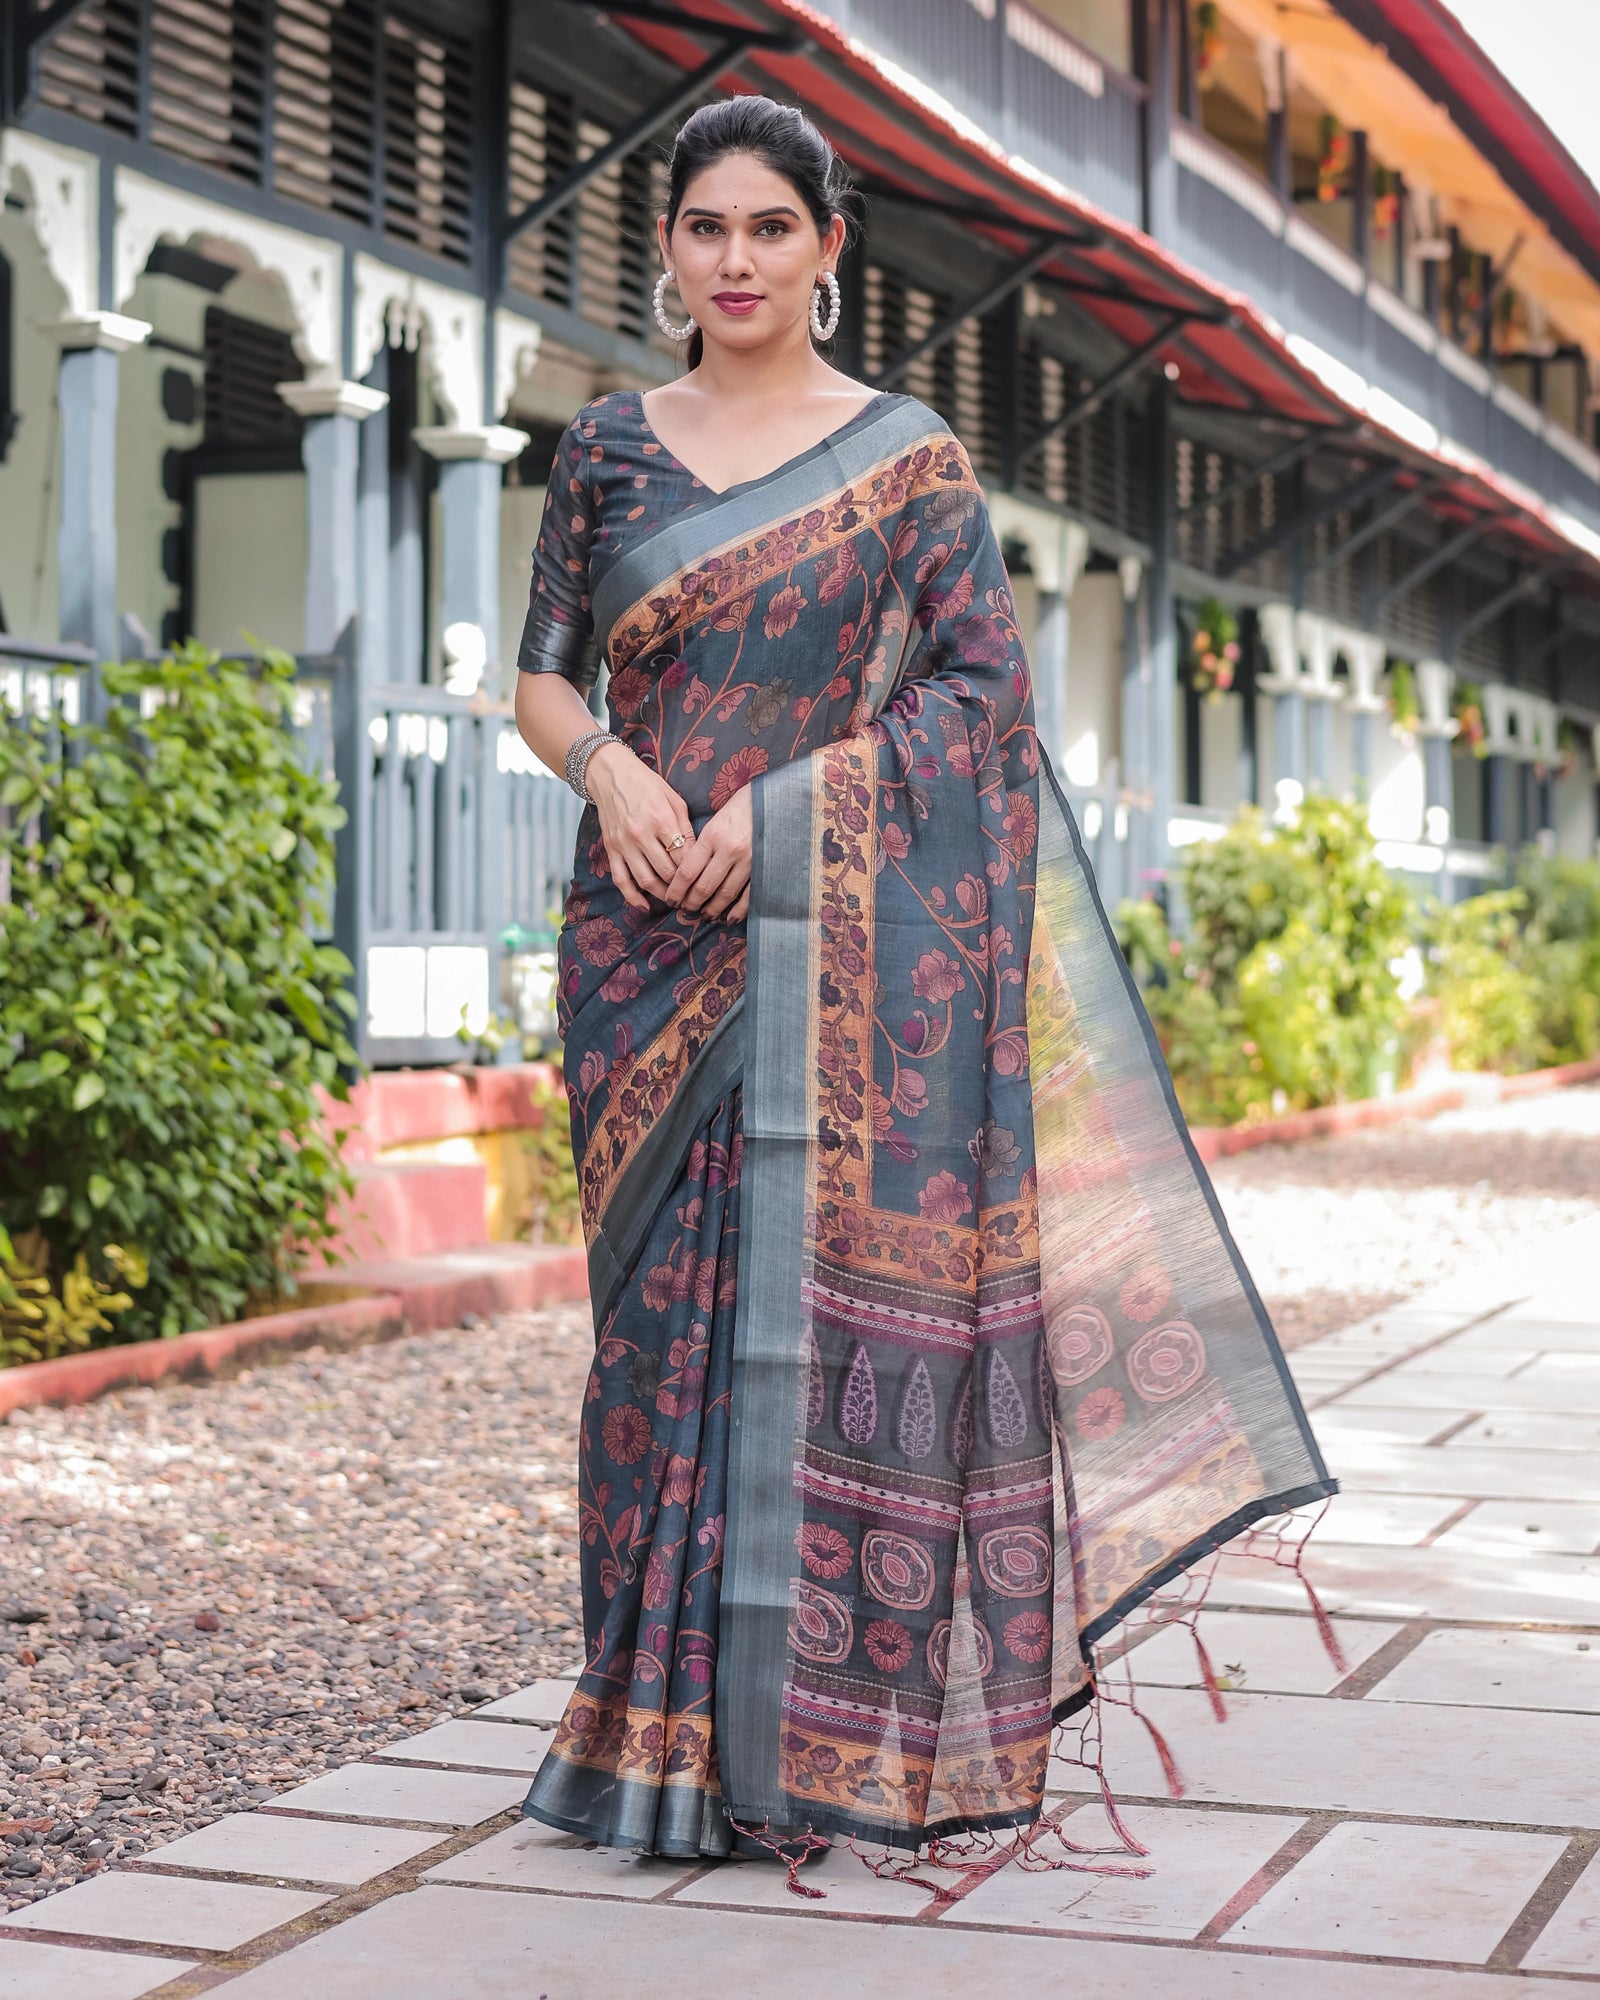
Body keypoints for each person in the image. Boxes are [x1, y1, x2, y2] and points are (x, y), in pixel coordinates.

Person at [512, 94, 1332, 1885]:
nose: (733, 260)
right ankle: (635, 1726)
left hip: (826, 944)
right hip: (643, 947)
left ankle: (791, 1751)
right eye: (704, 227)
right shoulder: (605, 453)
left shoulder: (909, 461)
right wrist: (618, 780)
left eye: (768, 229)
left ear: (829, 247)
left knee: (796, 1335)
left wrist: (790, 815)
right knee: (650, 1348)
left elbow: (980, 710)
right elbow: (544, 677)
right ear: (668, 246)